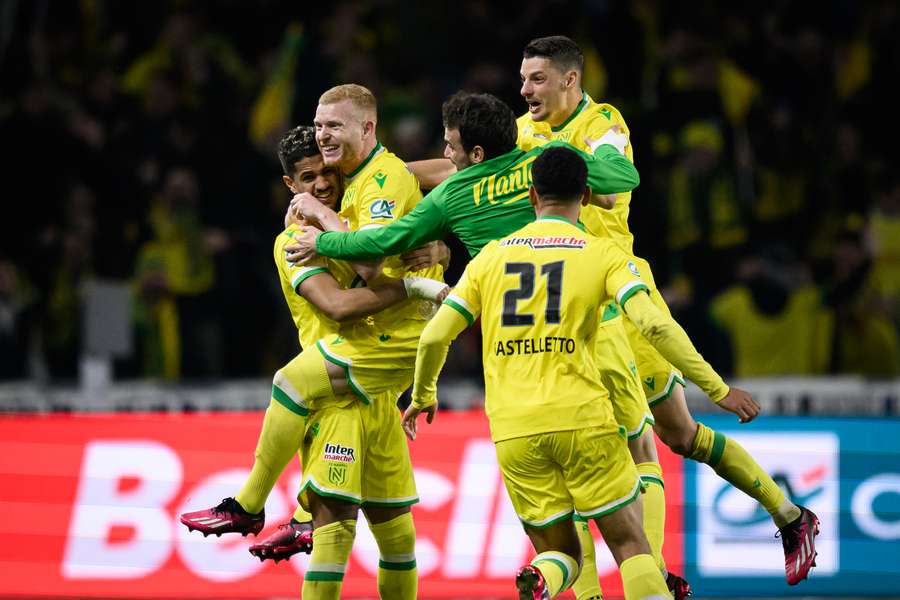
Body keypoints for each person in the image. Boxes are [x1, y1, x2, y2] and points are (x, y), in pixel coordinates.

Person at [284, 91, 722, 597]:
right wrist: (595, 150)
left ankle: (555, 577)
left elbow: (408, 284)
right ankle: (659, 574)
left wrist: (327, 237)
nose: (445, 154)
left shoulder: (476, 235)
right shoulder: (563, 199)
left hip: (514, 391)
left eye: (449, 146)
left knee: (560, 537)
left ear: (473, 155)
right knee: (634, 501)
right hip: (591, 348)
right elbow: (624, 182)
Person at [514, 35, 818, 587]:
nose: (525, 90)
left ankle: (782, 520)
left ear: (569, 81)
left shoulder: (604, 123)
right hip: (568, 310)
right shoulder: (522, 130)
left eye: (536, 79)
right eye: (523, 79)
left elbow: (617, 176)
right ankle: (662, 573)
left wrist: (554, 166)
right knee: (631, 444)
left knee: (666, 437)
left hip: (619, 297)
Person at [403, 145, 707, 599]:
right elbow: (653, 322)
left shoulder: (490, 258)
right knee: (631, 543)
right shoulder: (599, 252)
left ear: (530, 197)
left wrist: (423, 394)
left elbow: (432, 337)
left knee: (562, 550)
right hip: (581, 413)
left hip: (513, 428)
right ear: (586, 197)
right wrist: (715, 386)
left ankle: (543, 575)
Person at [182, 113, 446, 600]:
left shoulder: (363, 221)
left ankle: (290, 514)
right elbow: (340, 307)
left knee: (398, 536)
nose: (323, 183)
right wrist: (411, 286)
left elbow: (421, 179)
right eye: (309, 178)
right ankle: (261, 505)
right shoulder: (295, 243)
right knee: (335, 531)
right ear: (290, 185)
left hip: (378, 390)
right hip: (336, 391)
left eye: (330, 174)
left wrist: (434, 249)